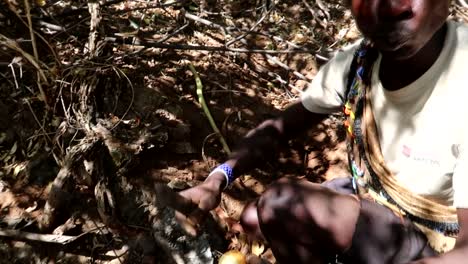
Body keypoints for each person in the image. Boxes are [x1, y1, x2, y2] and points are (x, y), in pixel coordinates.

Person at [178, 0, 468, 263]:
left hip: (436, 244)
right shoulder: (359, 64)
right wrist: (217, 179)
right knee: (255, 216)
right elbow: (280, 129)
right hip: (376, 208)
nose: (389, 7)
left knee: (280, 203)